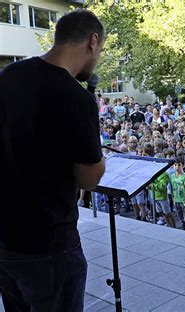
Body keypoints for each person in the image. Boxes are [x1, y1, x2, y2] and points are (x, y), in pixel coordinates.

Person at [0, 9, 105, 311]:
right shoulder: (75, 97)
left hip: (6, 239)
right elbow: (88, 178)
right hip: (49, 244)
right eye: (100, 50)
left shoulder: (9, 76)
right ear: (92, 41)